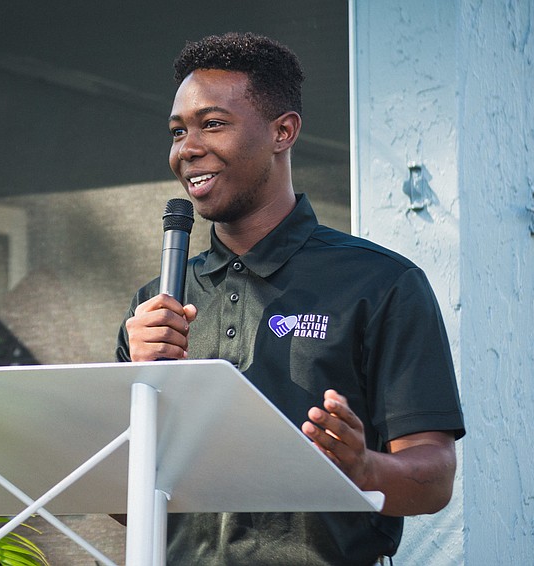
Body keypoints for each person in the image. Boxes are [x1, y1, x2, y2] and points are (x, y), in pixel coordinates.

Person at [115, 32, 465, 565]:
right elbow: (123, 503)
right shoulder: (154, 307)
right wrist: (141, 388)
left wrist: (362, 469)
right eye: (178, 131)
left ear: (283, 131)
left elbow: (434, 478)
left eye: (212, 124)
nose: (186, 149)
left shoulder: (380, 283)